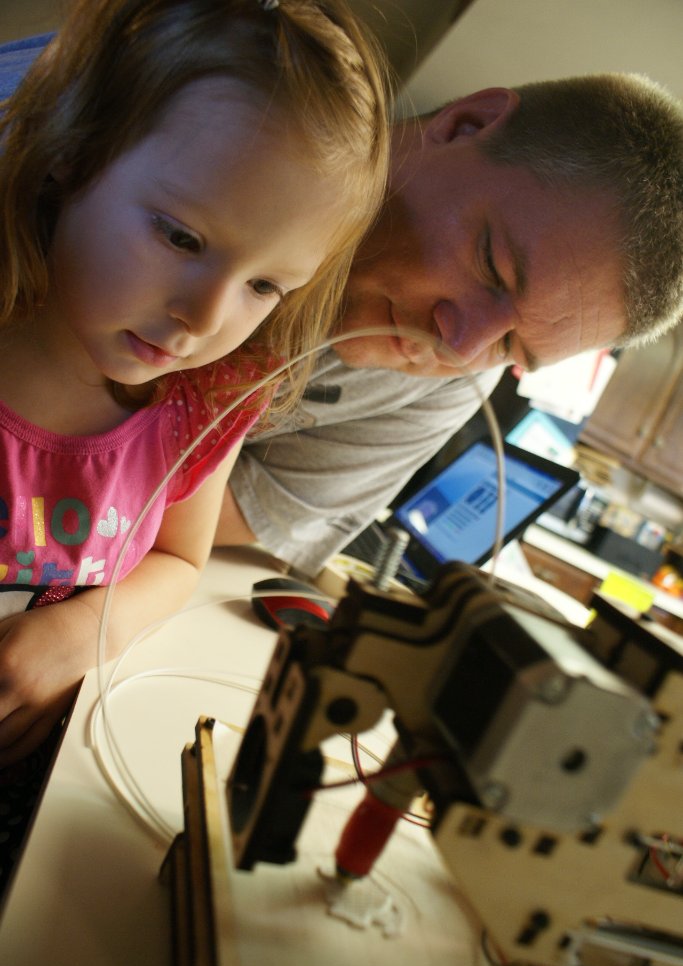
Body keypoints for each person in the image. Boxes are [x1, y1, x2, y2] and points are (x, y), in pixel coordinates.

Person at [0, 0, 390, 893]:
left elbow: (180, 557)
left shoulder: (200, 406)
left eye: (263, 283)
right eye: (181, 237)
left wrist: (77, 635)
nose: (205, 319)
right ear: (73, 148)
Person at [215, 72, 683, 578]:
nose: (456, 346)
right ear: (466, 123)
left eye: (509, 344)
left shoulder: (459, 380)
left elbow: (241, 517)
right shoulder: (225, 129)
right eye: (491, 267)